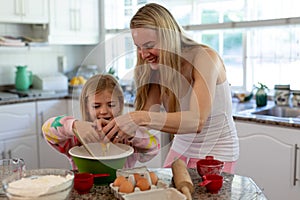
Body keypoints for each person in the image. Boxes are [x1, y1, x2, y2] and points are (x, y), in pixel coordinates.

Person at [101, 3, 239, 173]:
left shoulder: (204, 57)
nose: (143, 55)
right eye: (138, 47)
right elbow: (143, 123)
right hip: (179, 149)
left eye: (149, 45)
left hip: (216, 154)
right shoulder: (157, 68)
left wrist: (137, 118)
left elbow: (197, 121)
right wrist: (115, 130)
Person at [42, 74, 159, 169]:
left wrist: (133, 135)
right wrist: (74, 126)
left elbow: (155, 147)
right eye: (96, 106)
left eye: (111, 105)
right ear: (87, 108)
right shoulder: (77, 137)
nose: (104, 111)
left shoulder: (127, 136)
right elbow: (47, 130)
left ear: (120, 104)